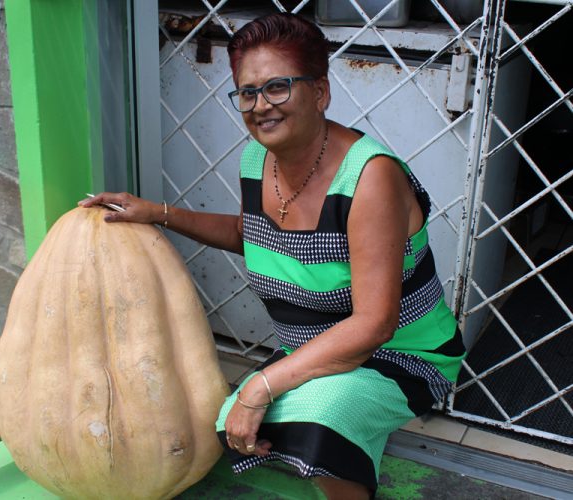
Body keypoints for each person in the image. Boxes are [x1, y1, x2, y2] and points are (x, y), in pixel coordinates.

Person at [80, 12, 465, 499]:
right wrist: (158, 213)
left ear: (320, 93)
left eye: (278, 87)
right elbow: (253, 233)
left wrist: (263, 385)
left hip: (400, 354)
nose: (261, 105)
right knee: (225, 422)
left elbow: (374, 325)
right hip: (317, 347)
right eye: (247, 92)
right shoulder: (256, 161)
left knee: (317, 421)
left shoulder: (370, 179)